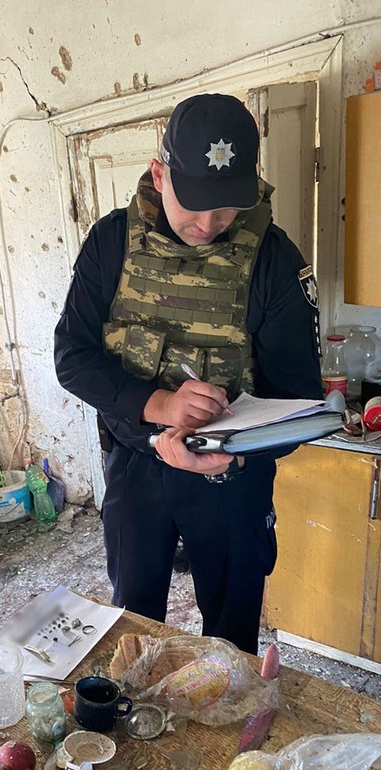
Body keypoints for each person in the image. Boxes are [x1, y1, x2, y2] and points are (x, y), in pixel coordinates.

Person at [55, 94, 322, 655]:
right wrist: (159, 408)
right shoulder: (111, 242)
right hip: (136, 467)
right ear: (160, 175)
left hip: (232, 479)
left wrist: (234, 453)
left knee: (230, 640)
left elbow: (299, 402)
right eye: (194, 204)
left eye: (225, 209)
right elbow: (72, 357)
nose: (207, 225)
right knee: (133, 629)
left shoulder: (273, 260)